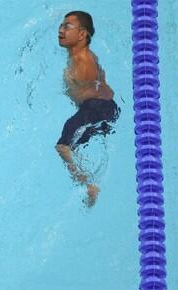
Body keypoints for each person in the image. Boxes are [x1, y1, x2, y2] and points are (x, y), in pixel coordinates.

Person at [56, 11, 120, 206]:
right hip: (103, 111)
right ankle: (90, 183)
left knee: (63, 147)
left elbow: (98, 87)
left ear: (82, 34)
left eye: (67, 26)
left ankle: (89, 186)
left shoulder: (83, 59)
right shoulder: (81, 56)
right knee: (74, 147)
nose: (60, 29)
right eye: (61, 25)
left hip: (97, 109)